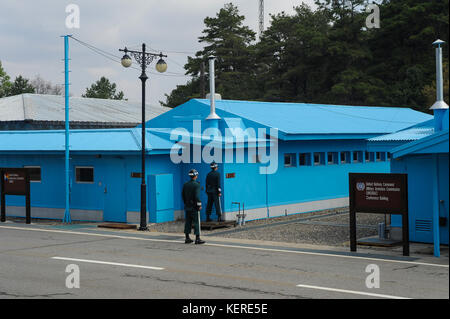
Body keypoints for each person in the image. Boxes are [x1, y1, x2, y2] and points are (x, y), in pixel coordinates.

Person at [182, 169, 205, 244]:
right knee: (196, 222)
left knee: (188, 222)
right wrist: (199, 205)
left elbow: (183, 195)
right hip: (194, 207)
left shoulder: (185, 184)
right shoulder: (196, 184)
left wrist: (186, 203)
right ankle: (197, 238)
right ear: (195, 176)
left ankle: (187, 237)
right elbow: (197, 196)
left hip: (187, 206)